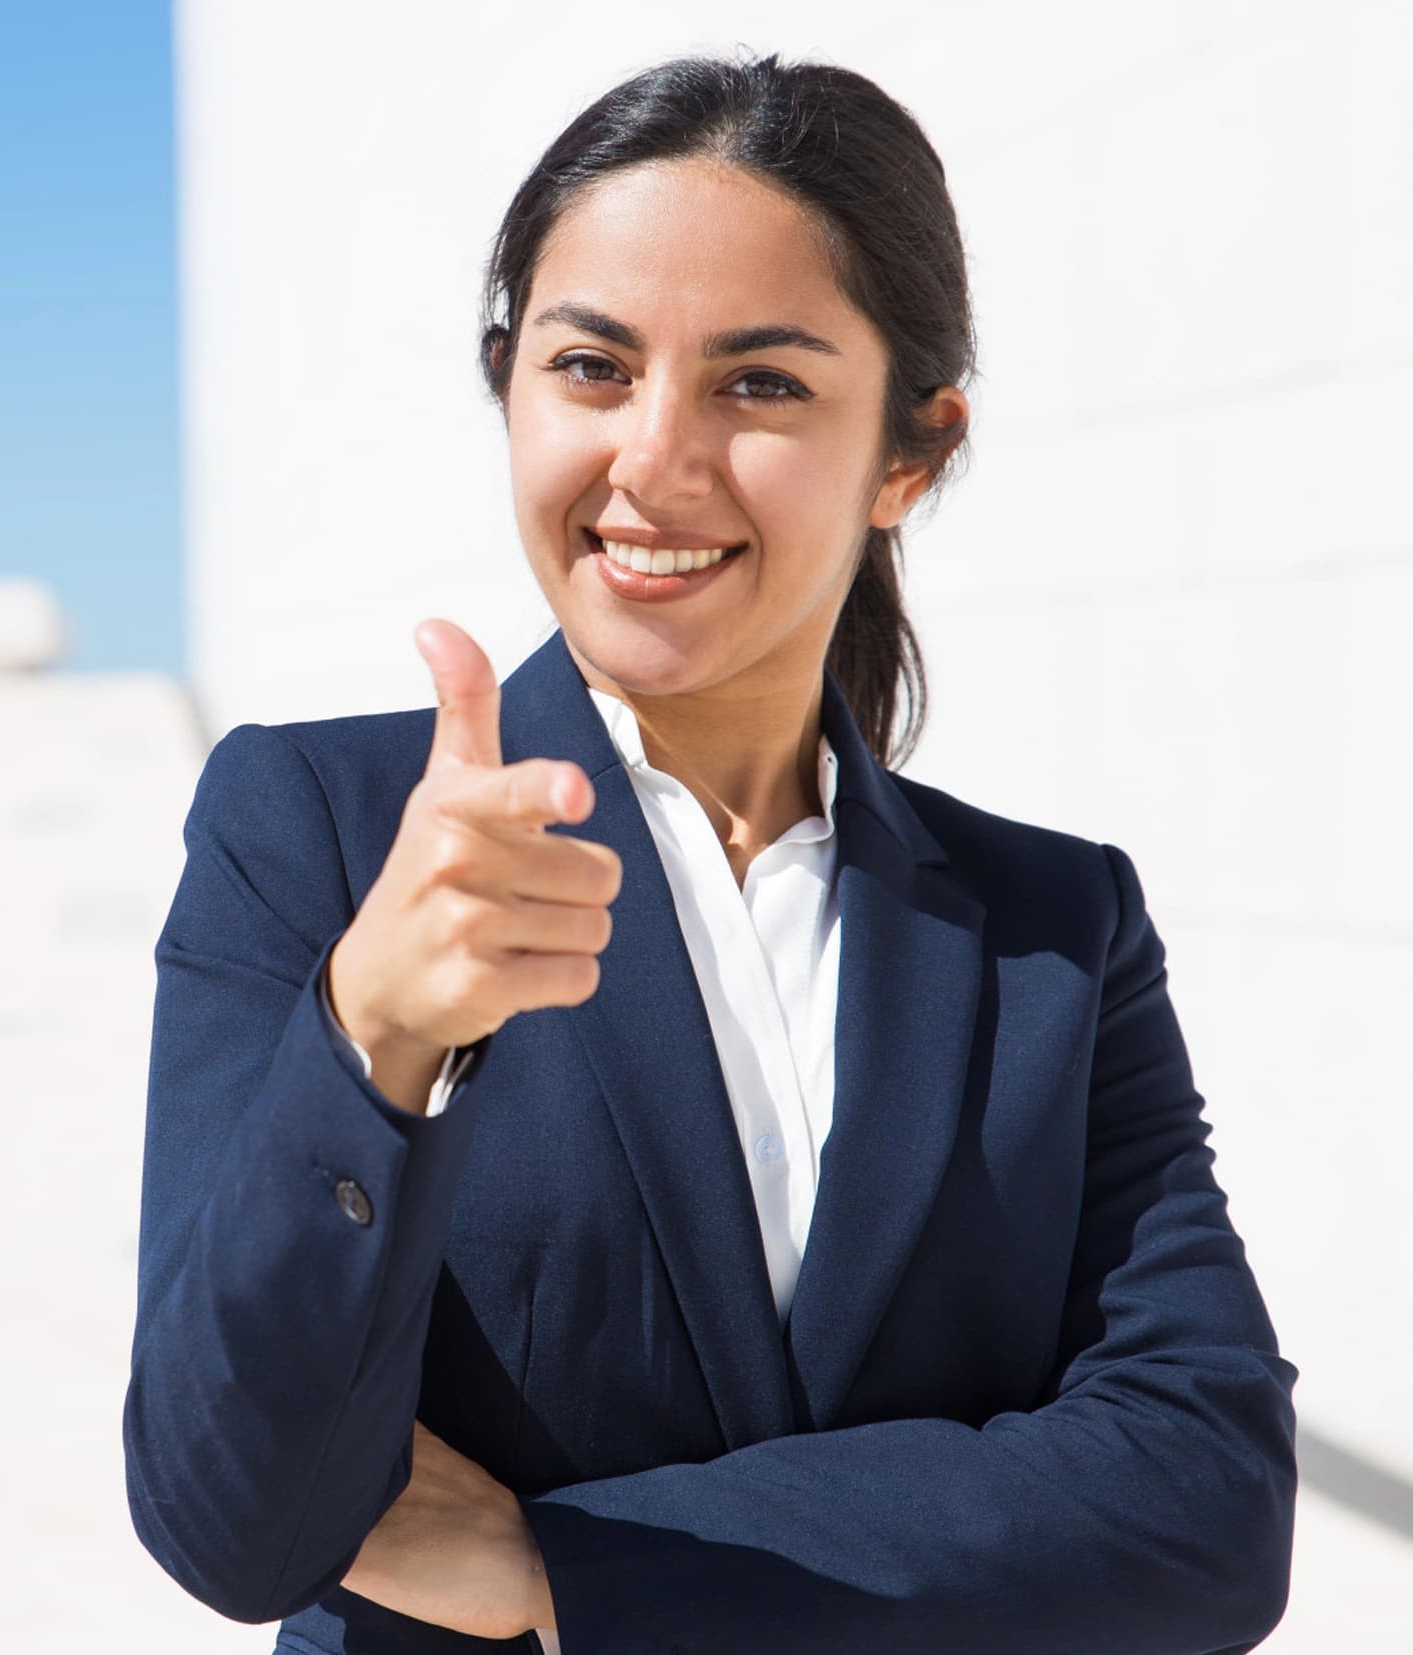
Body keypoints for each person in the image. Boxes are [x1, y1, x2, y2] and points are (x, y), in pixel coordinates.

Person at [123, 50, 1298, 1654]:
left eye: (760, 384)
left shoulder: (1053, 928)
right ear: (510, 382)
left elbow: (1211, 1501)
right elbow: (230, 1521)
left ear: (912, 451)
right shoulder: (322, 835)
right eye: (592, 368)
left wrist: (569, 1565)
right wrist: (374, 1038)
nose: (653, 463)